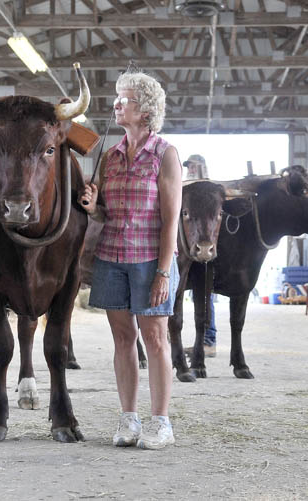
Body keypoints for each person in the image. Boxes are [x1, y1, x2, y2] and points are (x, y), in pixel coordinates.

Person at [80, 71, 181, 450]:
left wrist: (162, 272)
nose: (117, 104)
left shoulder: (165, 154)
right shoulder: (111, 155)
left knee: (155, 339)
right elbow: (106, 213)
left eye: (125, 99)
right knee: (123, 339)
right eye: (117, 98)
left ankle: (161, 422)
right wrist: (93, 208)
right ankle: (129, 418)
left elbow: (171, 219)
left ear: (146, 110)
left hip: (148, 260)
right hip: (111, 257)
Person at [182, 153, 218, 358]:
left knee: (204, 295)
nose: (191, 169)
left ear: (203, 167)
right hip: (184, 249)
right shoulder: (182, 186)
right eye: (189, 166)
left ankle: (208, 341)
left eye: (194, 166)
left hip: (203, 248)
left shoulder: (211, 191)